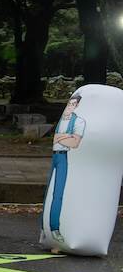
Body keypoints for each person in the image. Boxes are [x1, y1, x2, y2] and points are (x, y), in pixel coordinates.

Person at [47, 94, 86, 244]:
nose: (70, 106)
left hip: (63, 156)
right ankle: (47, 229)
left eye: (73, 104)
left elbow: (75, 143)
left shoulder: (78, 121)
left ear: (77, 106)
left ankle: (55, 228)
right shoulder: (62, 119)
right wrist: (65, 137)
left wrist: (60, 137)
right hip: (55, 155)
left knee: (58, 193)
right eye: (69, 103)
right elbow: (57, 137)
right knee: (49, 194)